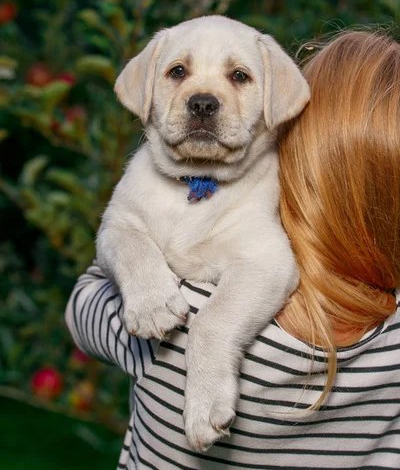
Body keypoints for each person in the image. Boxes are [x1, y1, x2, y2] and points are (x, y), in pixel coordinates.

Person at [66, 30, 400, 470]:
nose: (203, 98)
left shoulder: (175, 333)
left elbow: (83, 308)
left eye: (238, 76)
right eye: (179, 72)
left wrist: (149, 284)